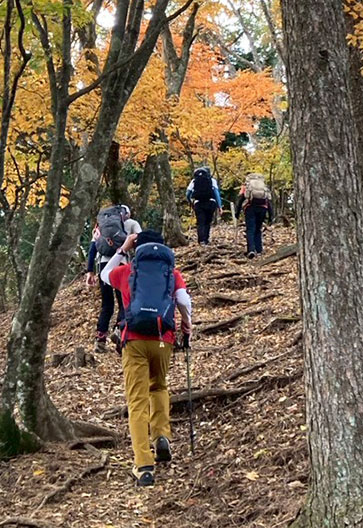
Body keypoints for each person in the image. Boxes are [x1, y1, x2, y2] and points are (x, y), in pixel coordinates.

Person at [101, 230, 192, 487]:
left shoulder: (128, 271)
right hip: (164, 339)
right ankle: (161, 435)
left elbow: (104, 275)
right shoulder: (171, 274)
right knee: (159, 386)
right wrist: (187, 325)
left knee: (137, 401)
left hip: (135, 341)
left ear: (137, 247)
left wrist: (122, 249)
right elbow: (183, 300)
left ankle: (143, 465)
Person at [85, 205, 141, 351]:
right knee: (123, 301)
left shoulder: (101, 227)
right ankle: (119, 330)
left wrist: (89, 272)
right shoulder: (132, 223)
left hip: (103, 266)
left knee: (107, 304)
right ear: (127, 214)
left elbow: (92, 249)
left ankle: (100, 339)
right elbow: (141, 243)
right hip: (121, 265)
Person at [236, 172, 273, 258]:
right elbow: (268, 201)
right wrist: (271, 215)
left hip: (250, 208)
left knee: (250, 229)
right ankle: (259, 250)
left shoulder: (246, 185)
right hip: (263, 208)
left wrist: (237, 213)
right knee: (258, 229)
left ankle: (251, 250)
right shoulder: (263, 186)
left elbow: (240, 198)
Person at [185, 165, 221, 245]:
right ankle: (206, 239)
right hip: (210, 202)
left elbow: (188, 193)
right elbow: (216, 193)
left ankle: (201, 240)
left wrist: (190, 201)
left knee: (200, 222)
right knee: (207, 222)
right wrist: (219, 206)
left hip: (198, 203)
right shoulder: (212, 180)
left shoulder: (194, 181)